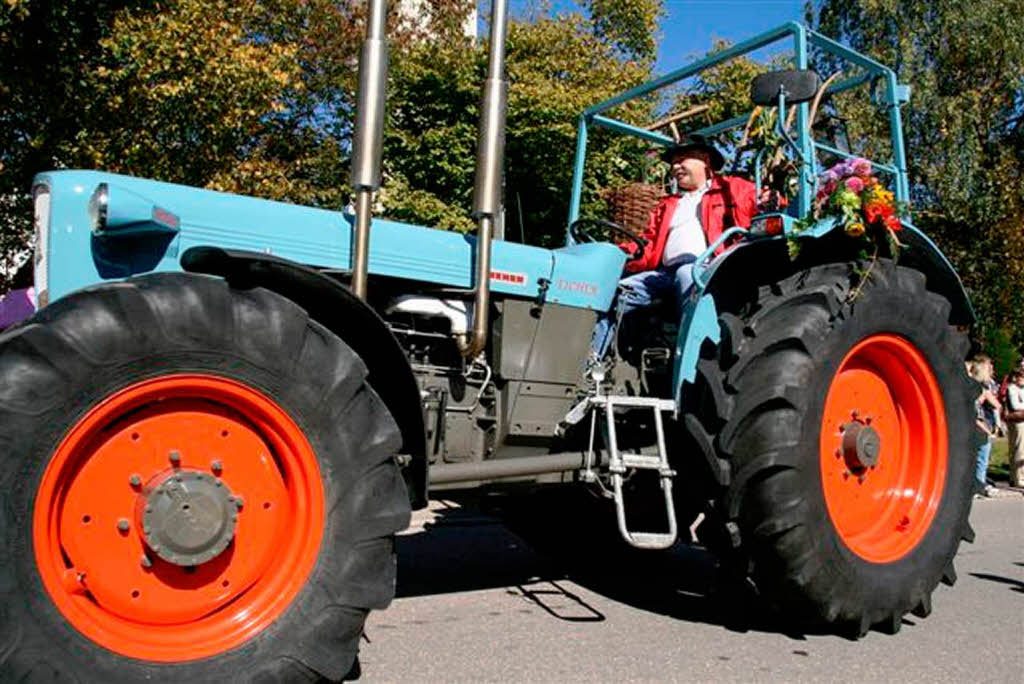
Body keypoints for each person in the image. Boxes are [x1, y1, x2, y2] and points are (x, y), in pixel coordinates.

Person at [590, 135, 757, 361]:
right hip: (663, 274)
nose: (676, 166)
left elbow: (758, 205)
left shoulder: (732, 188)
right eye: (673, 162)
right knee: (612, 293)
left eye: (682, 159)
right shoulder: (668, 204)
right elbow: (647, 243)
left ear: (705, 160)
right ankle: (593, 365)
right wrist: (619, 253)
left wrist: (770, 198)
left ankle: (696, 359)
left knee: (686, 274)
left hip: (708, 267)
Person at [970, 355, 1000, 497]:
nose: (991, 370)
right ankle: (978, 486)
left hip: (982, 424)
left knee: (980, 459)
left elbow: (995, 404)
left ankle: (978, 484)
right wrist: (987, 430)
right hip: (978, 427)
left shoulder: (982, 387)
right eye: (989, 368)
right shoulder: (975, 388)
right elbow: (973, 413)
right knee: (981, 459)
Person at [1002, 360, 1024, 488]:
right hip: (1017, 422)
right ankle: (1018, 478)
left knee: (1020, 449)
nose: (1022, 378)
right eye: (1021, 376)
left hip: (1021, 420)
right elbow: (1015, 406)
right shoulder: (1012, 388)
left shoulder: (1021, 389)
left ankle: (1015, 476)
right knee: (1019, 450)